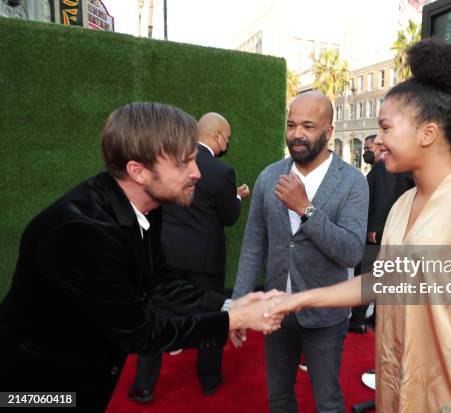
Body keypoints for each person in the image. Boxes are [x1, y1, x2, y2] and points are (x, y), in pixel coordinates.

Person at [268, 39, 451, 413]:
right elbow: (379, 281)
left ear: (427, 133)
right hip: (396, 391)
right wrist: (297, 300)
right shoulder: (401, 205)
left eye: (386, 128)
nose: (378, 141)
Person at [0, 102, 282, 413]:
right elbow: (140, 333)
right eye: (184, 162)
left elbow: (160, 283)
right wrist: (233, 319)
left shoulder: (146, 205)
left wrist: (227, 305)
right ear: (138, 171)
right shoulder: (79, 232)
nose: (197, 172)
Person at [231, 91, 369, 413]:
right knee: (278, 396)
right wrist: (237, 306)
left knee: (328, 401)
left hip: (325, 316)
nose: (296, 134)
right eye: (291, 125)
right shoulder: (270, 176)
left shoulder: (352, 182)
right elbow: (253, 246)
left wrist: (305, 208)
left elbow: (350, 252)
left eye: (308, 126)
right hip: (276, 309)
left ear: (329, 131)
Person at [128, 113, 250, 401]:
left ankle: (144, 387)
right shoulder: (221, 171)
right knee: (211, 319)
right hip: (205, 262)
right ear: (218, 136)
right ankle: (209, 380)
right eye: (227, 139)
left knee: (156, 319)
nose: (227, 144)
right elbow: (229, 216)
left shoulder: (168, 162)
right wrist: (236, 198)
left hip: (166, 256)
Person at [350, 134, 413, 334]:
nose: (367, 150)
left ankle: (358, 320)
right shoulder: (397, 167)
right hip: (391, 230)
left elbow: (383, 198)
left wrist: (373, 228)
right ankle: (376, 317)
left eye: (369, 147)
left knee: (367, 273)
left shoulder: (385, 167)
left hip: (379, 231)